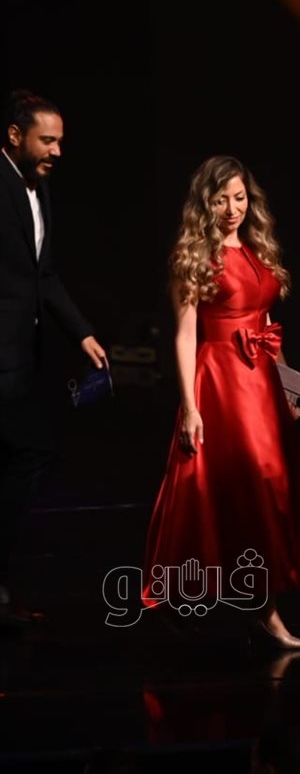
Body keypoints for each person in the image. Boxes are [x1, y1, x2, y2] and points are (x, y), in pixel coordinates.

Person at [142, 156, 300, 648]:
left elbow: (266, 326)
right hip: (221, 380)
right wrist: (191, 407)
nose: (233, 209)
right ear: (204, 203)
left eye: (240, 198)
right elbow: (185, 335)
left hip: (261, 380)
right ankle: (190, 595)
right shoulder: (193, 255)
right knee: (222, 488)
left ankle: (263, 609)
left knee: (270, 487)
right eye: (221, 200)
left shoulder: (256, 247)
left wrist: (288, 386)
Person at [0, 89, 107, 628]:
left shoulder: (38, 188)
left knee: (25, 457)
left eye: (60, 141)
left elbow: (43, 275)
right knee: (28, 453)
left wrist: (81, 332)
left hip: (20, 359)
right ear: (15, 136)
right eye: (48, 140)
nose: (58, 151)